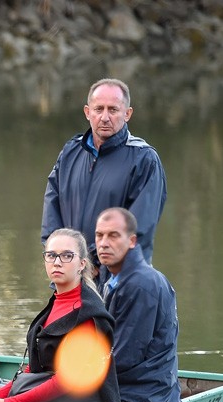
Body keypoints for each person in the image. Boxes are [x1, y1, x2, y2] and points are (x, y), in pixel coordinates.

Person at [0, 228, 121, 402]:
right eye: (51, 255)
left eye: (66, 255)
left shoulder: (87, 315)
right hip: (49, 400)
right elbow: (34, 370)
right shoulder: (55, 303)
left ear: (82, 263)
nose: (57, 262)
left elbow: (65, 382)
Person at [41, 78, 167, 264]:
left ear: (127, 114)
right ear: (87, 112)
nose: (105, 117)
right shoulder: (70, 152)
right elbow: (51, 210)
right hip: (71, 273)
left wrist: (95, 263)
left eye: (113, 110)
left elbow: (140, 229)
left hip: (120, 279)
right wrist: (58, 255)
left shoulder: (144, 159)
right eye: (98, 109)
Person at [94, 208, 182, 402]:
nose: (103, 243)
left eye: (113, 235)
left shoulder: (141, 285)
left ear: (132, 241)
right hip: (126, 387)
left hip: (142, 394)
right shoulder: (115, 278)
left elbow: (125, 356)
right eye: (99, 235)